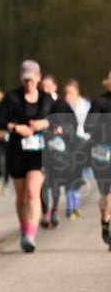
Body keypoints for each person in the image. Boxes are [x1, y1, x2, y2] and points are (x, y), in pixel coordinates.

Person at [0, 59, 53, 253]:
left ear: (39, 77)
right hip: (17, 151)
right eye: (25, 79)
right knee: (22, 198)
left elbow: (60, 119)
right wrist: (16, 127)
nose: (28, 82)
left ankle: (30, 236)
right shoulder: (11, 98)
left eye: (31, 79)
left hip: (39, 151)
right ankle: (24, 229)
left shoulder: (47, 99)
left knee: (33, 193)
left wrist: (43, 124)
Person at [39, 76, 76, 230]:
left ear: (55, 87)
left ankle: (54, 209)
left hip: (59, 149)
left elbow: (73, 124)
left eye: (48, 86)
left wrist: (63, 129)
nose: (45, 89)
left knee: (55, 180)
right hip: (41, 147)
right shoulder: (39, 103)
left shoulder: (62, 104)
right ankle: (45, 212)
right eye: (43, 87)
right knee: (42, 182)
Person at [84, 70, 111, 250]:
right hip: (102, 150)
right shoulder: (99, 102)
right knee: (106, 193)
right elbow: (88, 126)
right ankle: (105, 222)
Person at [62, 80, 90, 220]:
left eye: (70, 92)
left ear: (77, 92)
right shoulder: (63, 106)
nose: (68, 95)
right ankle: (70, 206)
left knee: (78, 173)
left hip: (83, 142)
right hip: (68, 143)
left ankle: (76, 203)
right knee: (68, 172)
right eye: (66, 92)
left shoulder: (86, 105)